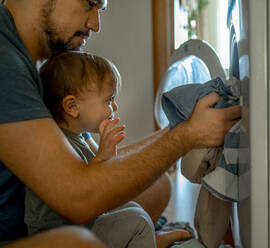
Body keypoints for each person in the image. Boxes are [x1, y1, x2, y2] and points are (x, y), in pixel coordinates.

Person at [0, 0, 241, 247]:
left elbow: (84, 171)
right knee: (76, 241)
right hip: (30, 230)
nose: (96, 24)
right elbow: (78, 199)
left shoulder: (35, 60)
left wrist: (184, 127)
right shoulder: (5, 60)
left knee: (156, 186)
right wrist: (186, 137)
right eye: (90, 3)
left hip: (50, 213)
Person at [24, 51, 191, 247]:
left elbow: (103, 175)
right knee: (136, 222)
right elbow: (84, 186)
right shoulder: (56, 143)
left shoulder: (79, 135)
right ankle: (147, 239)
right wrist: (103, 154)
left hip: (80, 224)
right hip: (58, 236)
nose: (115, 107)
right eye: (109, 100)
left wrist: (107, 153)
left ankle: (148, 241)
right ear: (72, 107)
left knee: (132, 207)